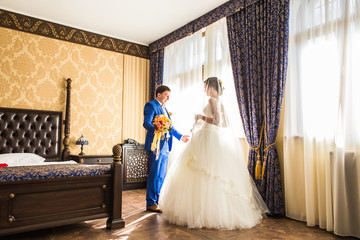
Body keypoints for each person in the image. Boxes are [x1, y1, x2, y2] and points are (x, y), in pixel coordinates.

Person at [158, 77, 269, 229]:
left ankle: (202, 212)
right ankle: (218, 210)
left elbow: (216, 121)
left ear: (211, 87)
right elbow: (224, 124)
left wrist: (200, 117)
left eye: (205, 87)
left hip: (208, 138)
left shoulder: (212, 100)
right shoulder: (221, 102)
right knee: (213, 173)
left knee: (201, 171)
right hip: (215, 138)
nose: (204, 90)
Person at [143, 85, 190, 212]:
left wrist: (181, 137)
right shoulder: (151, 105)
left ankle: (157, 200)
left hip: (165, 146)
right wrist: (157, 130)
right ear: (159, 95)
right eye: (166, 95)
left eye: (169, 96)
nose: (168, 98)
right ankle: (150, 202)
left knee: (161, 175)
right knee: (154, 174)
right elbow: (146, 123)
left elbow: (170, 127)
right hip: (155, 145)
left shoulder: (165, 108)